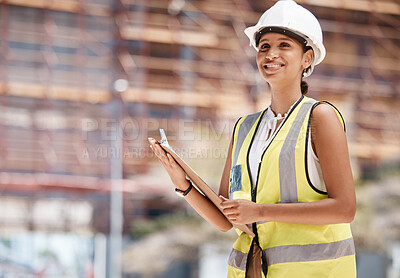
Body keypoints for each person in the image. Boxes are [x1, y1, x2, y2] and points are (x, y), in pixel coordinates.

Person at [148, 0, 357, 277]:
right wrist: (181, 183)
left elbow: (344, 209)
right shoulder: (244, 128)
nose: (271, 54)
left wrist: (259, 211)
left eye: (284, 45)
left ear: (307, 58)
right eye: (264, 46)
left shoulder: (320, 117)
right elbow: (226, 219)